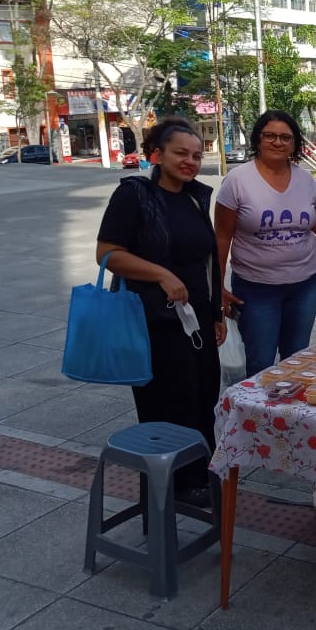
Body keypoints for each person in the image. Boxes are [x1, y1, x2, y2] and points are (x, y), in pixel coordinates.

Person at [96, 117, 224, 507]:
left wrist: (216, 310)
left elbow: (209, 259)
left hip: (197, 317)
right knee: (169, 401)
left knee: (204, 396)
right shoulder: (135, 195)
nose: (190, 161)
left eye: (197, 155)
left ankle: (201, 471)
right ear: (159, 154)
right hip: (154, 321)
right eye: (181, 153)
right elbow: (107, 254)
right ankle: (172, 482)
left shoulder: (194, 196)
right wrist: (161, 275)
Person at [214, 110, 316, 376]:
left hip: (304, 285)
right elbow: (222, 236)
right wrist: (217, 286)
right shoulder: (237, 181)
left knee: (296, 361)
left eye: (286, 137)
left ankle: (287, 416)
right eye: (269, 135)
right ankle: (255, 417)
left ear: (294, 144)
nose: (277, 142)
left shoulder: (306, 180)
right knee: (259, 362)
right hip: (255, 288)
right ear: (257, 140)